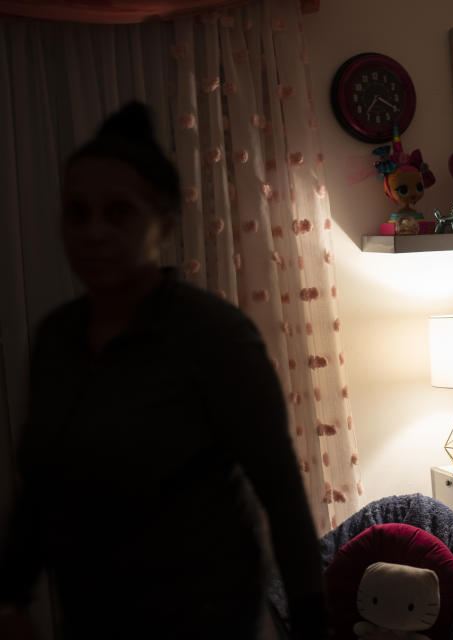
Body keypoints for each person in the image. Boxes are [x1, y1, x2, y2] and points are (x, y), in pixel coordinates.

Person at [0, 102, 328, 638]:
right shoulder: (56, 338)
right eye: (76, 212)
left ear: (166, 223)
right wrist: (11, 598)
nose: (94, 232)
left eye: (118, 212)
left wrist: (313, 623)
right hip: (90, 616)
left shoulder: (216, 336)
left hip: (205, 617)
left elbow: (281, 492)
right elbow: (38, 482)